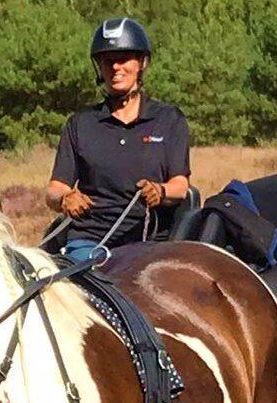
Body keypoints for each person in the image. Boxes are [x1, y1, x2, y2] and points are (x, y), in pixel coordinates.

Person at [47, 18, 191, 263]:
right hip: (89, 240)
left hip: (150, 241)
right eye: (107, 61)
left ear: (142, 62)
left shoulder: (168, 119)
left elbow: (180, 185)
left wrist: (160, 190)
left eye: (123, 59)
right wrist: (64, 198)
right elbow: (54, 188)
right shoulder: (80, 123)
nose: (115, 67)